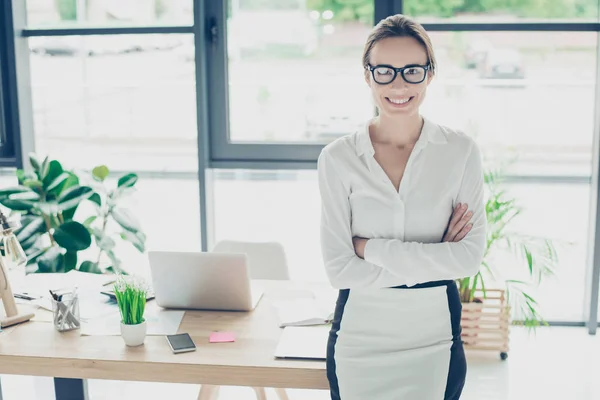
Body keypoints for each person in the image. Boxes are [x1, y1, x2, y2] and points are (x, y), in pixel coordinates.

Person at [317, 14, 487, 400]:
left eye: (412, 70)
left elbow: (467, 260)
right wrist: (432, 259)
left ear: (430, 74)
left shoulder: (460, 151)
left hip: (434, 339)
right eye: (385, 71)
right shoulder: (337, 157)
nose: (398, 84)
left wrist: (367, 248)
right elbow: (337, 268)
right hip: (360, 339)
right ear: (367, 75)